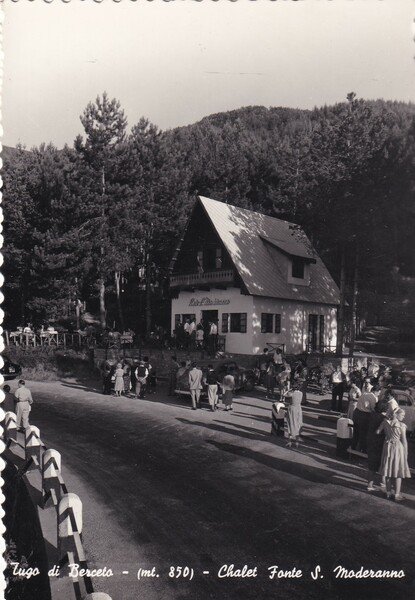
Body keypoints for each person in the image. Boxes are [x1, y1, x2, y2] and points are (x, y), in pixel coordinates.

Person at [376, 408, 411, 501]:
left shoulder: (385, 422)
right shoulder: (401, 426)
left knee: (387, 471)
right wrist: (406, 453)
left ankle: (388, 493)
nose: (404, 416)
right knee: (398, 471)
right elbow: (404, 441)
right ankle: (396, 494)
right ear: (397, 415)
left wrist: (387, 436)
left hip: (387, 447)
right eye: (402, 415)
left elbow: (377, 432)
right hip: (397, 448)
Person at [366, 399, 388, 492]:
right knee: (381, 464)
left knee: (372, 464)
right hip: (379, 443)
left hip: (370, 440)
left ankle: (370, 484)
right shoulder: (383, 419)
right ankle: (374, 485)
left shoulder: (372, 415)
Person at [352, 385, 380, 453]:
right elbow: (373, 409)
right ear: (376, 391)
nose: (379, 394)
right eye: (379, 392)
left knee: (356, 432)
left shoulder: (364, 393)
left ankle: (353, 447)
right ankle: (362, 449)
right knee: (363, 433)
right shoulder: (374, 398)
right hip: (365, 415)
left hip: (357, 413)